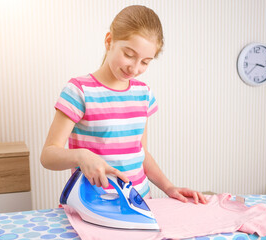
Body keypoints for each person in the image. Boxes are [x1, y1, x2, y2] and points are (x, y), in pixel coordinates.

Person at [40, 5, 207, 204]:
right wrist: (81, 156)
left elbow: (140, 153)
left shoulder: (143, 94)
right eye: (129, 54)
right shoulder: (79, 91)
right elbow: (48, 155)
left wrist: (169, 187)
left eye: (145, 62)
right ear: (109, 41)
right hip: (93, 205)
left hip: (139, 203)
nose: (134, 68)